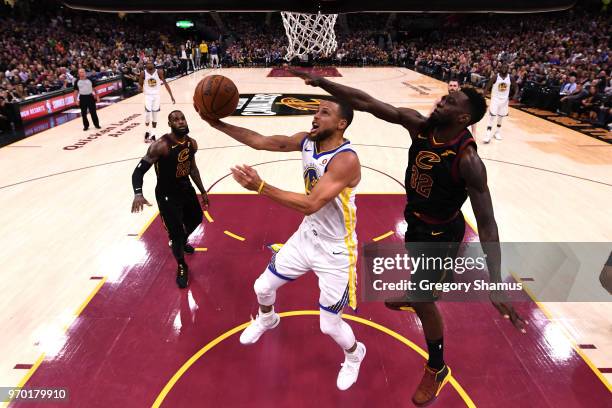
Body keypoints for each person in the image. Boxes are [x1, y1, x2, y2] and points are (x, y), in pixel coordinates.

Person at [290, 68, 526, 406]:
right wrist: (323, 82)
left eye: (450, 101)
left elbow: (487, 225)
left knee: (424, 299)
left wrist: (495, 281)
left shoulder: (468, 160)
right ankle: (418, 292)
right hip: (416, 223)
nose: (441, 100)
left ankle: (437, 366)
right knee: (423, 284)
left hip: (442, 234)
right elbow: (368, 103)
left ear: (462, 117)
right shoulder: (420, 126)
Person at [197, 99, 367, 391]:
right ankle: (268, 319)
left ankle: (354, 355)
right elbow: (261, 141)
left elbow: (312, 203)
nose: (315, 115)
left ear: (341, 124)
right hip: (306, 237)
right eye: (316, 110)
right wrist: (217, 123)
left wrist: (260, 187)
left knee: (330, 325)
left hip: (336, 251)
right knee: (261, 287)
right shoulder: (306, 141)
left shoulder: (346, 160)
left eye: (324, 113)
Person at [131, 110, 210, 288]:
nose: (181, 122)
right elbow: (138, 171)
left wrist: (203, 191)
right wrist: (138, 193)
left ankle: (181, 240)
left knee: (197, 218)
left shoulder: (192, 144)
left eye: (183, 118)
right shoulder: (160, 146)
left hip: (186, 189)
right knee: (175, 236)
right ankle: (181, 265)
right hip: (167, 195)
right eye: (176, 120)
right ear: (170, 124)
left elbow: (193, 169)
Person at [139, 62, 176, 143]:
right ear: (146, 65)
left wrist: (171, 96)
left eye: (151, 63)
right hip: (148, 96)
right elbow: (140, 84)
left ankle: (153, 135)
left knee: (155, 116)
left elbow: (165, 83)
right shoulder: (143, 73)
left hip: (156, 96)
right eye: (148, 64)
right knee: (147, 115)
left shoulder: (159, 72)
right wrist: (142, 89)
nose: (149, 65)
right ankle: (147, 132)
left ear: (153, 64)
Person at [483, 64, 516, 143]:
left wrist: (515, 95)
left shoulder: (510, 77)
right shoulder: (495, 77)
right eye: (503, 67)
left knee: (501, 117)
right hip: (495, 99)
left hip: (504, 100)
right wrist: (483, 97)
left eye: (506, 67)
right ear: (500, 68)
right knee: (492, 116)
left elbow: (516, 87)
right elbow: (487, 87)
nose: (504, 69)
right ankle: (488, 134)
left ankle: (497, 132)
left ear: (508, 69)